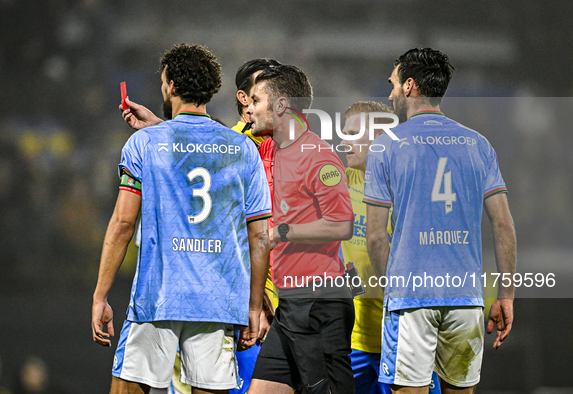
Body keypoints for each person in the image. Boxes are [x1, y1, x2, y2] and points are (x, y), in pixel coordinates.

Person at [92, 44, 272, 394]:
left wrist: (101, 295)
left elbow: (123, 225)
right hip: (218, 301)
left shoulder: (144, 144)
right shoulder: (242, 149)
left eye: (163, 82)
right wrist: (253, 307)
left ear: (171, 86)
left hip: (157, 298)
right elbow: (260, 237)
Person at [364, 48, 516, 393]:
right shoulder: (478, 144)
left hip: (411, 298)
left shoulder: (386, 147)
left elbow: (375, 237)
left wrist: (396, 288)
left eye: (393, 84)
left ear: (409, 86)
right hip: (466, 297)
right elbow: (503, 225)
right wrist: (505, 295)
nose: (389, 94)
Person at [245, 65, 355, 394]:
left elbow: (342, 224)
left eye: (255, 100)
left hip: (321, 305)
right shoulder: (271, 150)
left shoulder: (318, 155)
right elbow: (222, 143)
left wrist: (283, 232)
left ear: (280, 106)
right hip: (291, 305)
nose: (248, 108)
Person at [340, 101, 441, 394]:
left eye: (354, 133)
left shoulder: (411, 191)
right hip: (352, 341)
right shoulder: (338, 184)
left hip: (401, 339)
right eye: (344, 133)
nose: (344, 141)